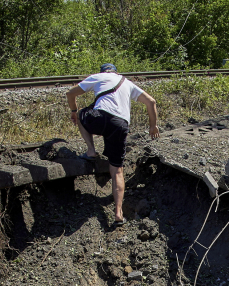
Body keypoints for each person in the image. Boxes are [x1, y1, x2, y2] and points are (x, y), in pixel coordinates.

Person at [66, 63, 160, 227]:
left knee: (82, 113)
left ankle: (91, 151)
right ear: (116, 72)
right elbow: (151, 102)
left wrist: (74, 111)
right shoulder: (127, 83)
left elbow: (71, 93)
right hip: (120, 124)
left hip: (100, 118)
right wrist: (153, 126)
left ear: (104, 72)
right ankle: (118, 213)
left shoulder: (98, 77)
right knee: (117, 170)